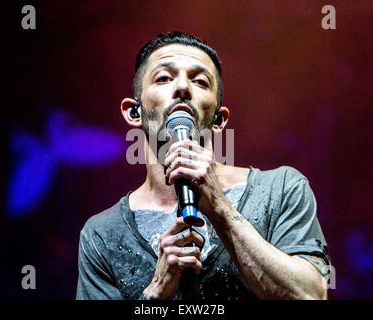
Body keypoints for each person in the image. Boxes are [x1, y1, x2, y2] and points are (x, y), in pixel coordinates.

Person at [76, 31, 331, 300]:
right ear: (133, 111)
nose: (183, 87)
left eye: (200, 81)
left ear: (219, 119)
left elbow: (311, 296)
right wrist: (155, 293)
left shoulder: (280, 189)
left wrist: (219, 206)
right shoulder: (103, 233)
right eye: (163, 78)